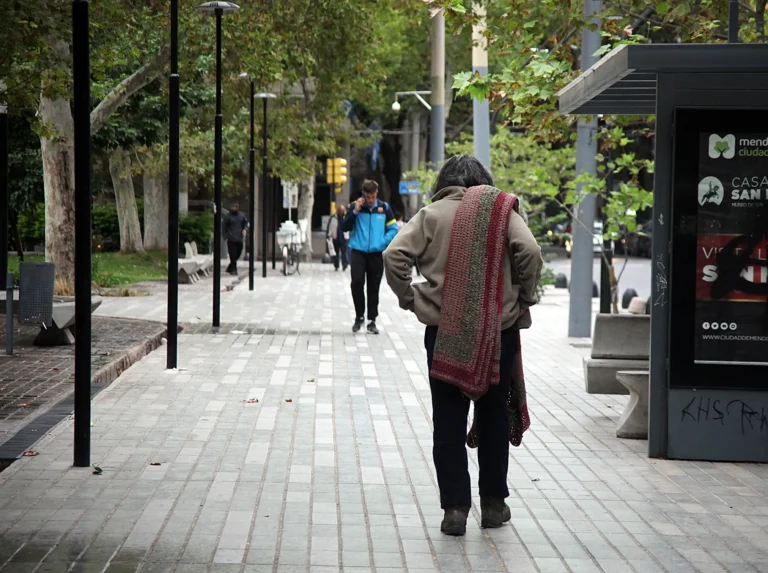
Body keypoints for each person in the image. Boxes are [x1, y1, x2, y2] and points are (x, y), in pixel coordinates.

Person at [383, 155, 543, 536]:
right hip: (497, 333)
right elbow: (531, 253)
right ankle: (493, 505)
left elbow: (394, 255)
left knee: (448, 423)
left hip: (444, 332)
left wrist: (413, 298)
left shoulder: (431, 214)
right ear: (483, 183)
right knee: (492, 420)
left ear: (445, 182)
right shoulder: (501, 211)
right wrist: (522, 297)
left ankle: (454, 510)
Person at [342, 180, 398, 334]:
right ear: (363, 194)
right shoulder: (356, 207)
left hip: (376, 254)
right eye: (368, 197)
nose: (370, 200)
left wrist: (382, 242)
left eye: (373, 196)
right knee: (357, 283)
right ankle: (359, 316)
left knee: (374, 287)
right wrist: (355, 212)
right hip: (358, 252)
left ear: (376, 193)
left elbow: (393, 229)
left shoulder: (384, 208)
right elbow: (344, 227)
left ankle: (371, 320)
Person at [224, 202, 249, 275]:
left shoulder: (242, 215)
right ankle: (234, 270)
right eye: (232, 207)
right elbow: (224, 227)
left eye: (235, 207)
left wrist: (245, 229)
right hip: (231, 238)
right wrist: (225, 237)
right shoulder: (228, 216)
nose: (233, 208)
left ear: (238, 207)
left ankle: (230, 266)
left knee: (238, 253)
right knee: (232, 254)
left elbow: (245, 223)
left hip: (239, 238)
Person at [326, 204, 349, 271]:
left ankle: (344, 265)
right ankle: (336, 265)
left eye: (342, 210)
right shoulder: (333, 217)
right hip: (335, 237)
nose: (340, 212)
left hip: (344, 237)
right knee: (335, 253)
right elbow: (329, 227)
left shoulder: (346, 217)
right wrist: (328, 235)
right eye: (339, 210)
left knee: (344, 252)